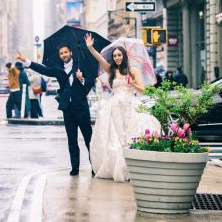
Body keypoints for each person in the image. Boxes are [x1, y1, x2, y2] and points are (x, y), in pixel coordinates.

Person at [85, 33, 162, 182]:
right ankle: (116, 168)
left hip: (130, 104)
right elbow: (100, 59)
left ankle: (133, 167)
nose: (117, 58)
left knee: (131, 134)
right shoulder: (112, 70)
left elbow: (142, 90)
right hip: (114, 107)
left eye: (119, 55)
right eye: (114, 56)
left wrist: (131, 83)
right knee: (114, 137)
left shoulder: (133, 71)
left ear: (124, 56)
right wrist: (90, 48)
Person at [16, 46, 94, 176]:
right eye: (61, 53)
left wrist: (82, 78)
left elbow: (90, 82)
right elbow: (43, 69)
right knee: (72, 139)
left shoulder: (81, 66)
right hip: (67, 108)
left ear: (71, 52)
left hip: (81, 108)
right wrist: (26, 60)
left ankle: (94, 166)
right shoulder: (58, 69)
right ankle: (75, 167)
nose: (64, 55)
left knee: (88, 138)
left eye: (65, 52)